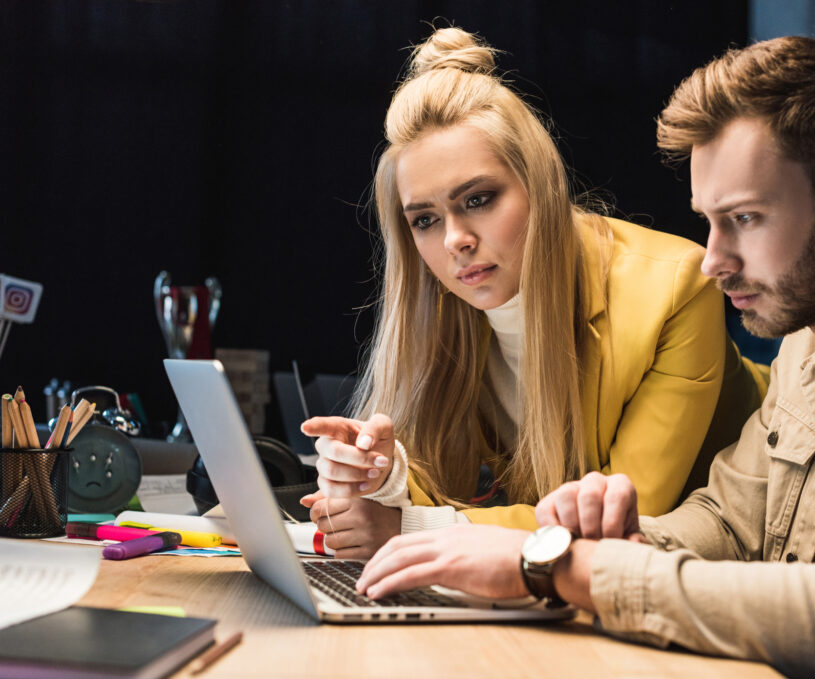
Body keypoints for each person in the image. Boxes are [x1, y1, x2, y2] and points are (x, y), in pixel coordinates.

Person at [352, 36, 815, 679]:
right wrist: (606, 536)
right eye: (708, 221)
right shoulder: (809, 347)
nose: (713, 260)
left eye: (745, 219)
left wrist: (552, 567)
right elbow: (727, 525)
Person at [298, 27, 767, 557]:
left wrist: (406, 528)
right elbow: (442, 497)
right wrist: (381, 480)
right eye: (425, 218)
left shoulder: (675, 286)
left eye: (478, 199)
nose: (455, 240)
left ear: (539, 185)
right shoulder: (453, 309)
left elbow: (630, 516)